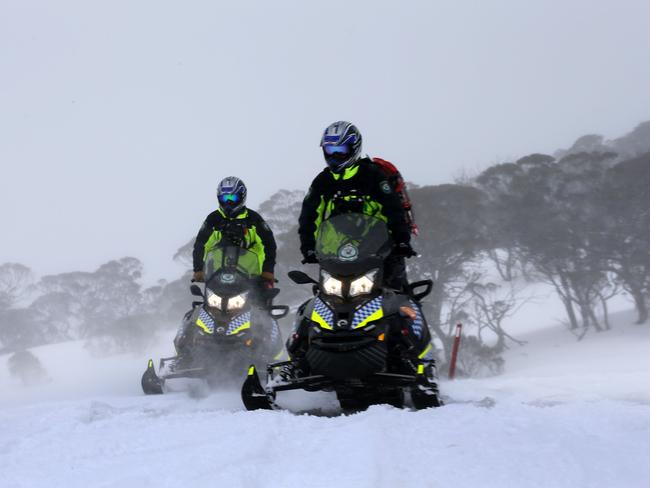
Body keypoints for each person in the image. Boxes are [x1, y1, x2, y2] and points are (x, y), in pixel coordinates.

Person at [298, 121, 416, 291]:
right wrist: (308, 247)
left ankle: (410, 316)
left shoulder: (372, 175)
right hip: (336, 255)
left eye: (341, 150)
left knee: (399, 296)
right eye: (330, 150)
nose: (335, 155)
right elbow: (309, 216)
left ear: (354, 148)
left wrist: (401, 241)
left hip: (380, 251)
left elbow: (393, 208)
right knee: (321, 300)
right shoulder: (322, 182)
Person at [192, 176, 277, 290]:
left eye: (232, 197)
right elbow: (201, 244)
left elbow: (269, 244)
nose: (228, 202)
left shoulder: (253, 219)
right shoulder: (213, 219)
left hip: (253, 277)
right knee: (205, 305)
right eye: (224, 198)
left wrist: (267, 271)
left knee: (263, 302)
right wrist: (199, 269)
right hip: (218, 276)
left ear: (242, 197)